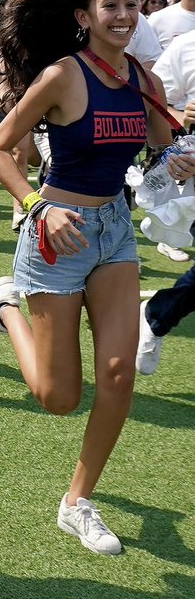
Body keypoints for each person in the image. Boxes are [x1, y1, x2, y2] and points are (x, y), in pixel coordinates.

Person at [0, 0, 191, 556]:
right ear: (82, 17)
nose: (123, 17)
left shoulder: (144, 79)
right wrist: (37, 206)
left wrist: (176, 165)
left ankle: (78, 500)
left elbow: (159, 160)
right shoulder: (64, 75)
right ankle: (5, 306)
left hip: (113, 233)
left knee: (118, 374)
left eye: (132, 6)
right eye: (111, 6)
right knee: (58, 398)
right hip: (54, 234)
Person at [137, 27, 195, 374]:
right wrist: (184, 118)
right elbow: (163, 107)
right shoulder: (186, 45)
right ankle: (157, 314)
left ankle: (158, 314)